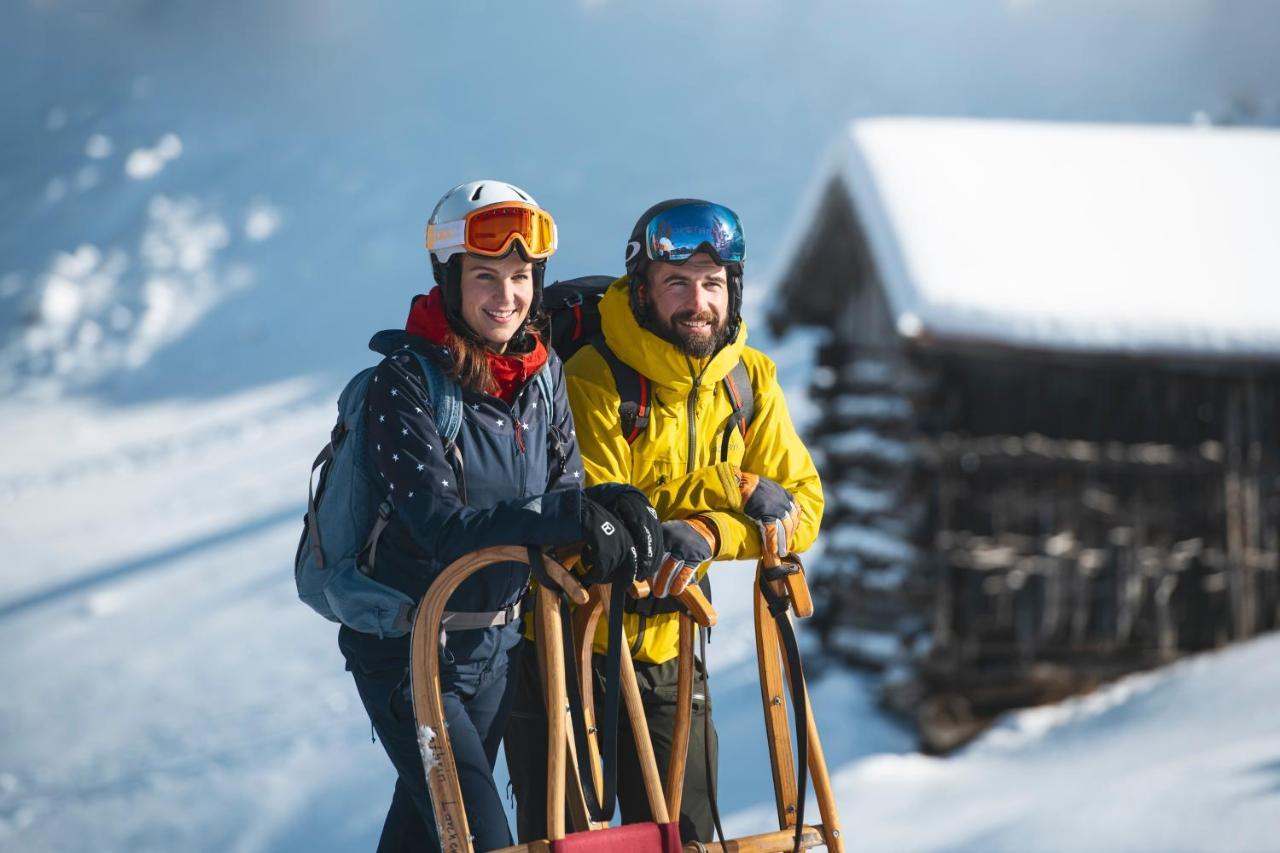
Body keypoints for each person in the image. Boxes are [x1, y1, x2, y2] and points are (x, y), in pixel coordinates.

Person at [339, 179, 657, 853]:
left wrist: (608, 512)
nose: (506, 295)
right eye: (486, 275)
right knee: (481, 839)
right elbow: (441, 527)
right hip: (411, 650)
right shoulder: (406, 382)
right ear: (448, 278)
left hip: (493, 652)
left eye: (520, 275)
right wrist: (565, 515)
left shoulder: (541, 376)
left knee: (429, 833)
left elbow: (564, 490)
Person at [506, 199, 824, 842]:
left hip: (674, 651)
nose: (698, 301)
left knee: (691, 838)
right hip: (568, 654)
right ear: (643, 292)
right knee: (569, 844)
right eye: (676, 282)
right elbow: (612, 519)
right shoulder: (595, 376)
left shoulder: (751, 381)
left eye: (713, 284)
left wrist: (712, 533)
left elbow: (803, 508)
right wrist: (733, 486)